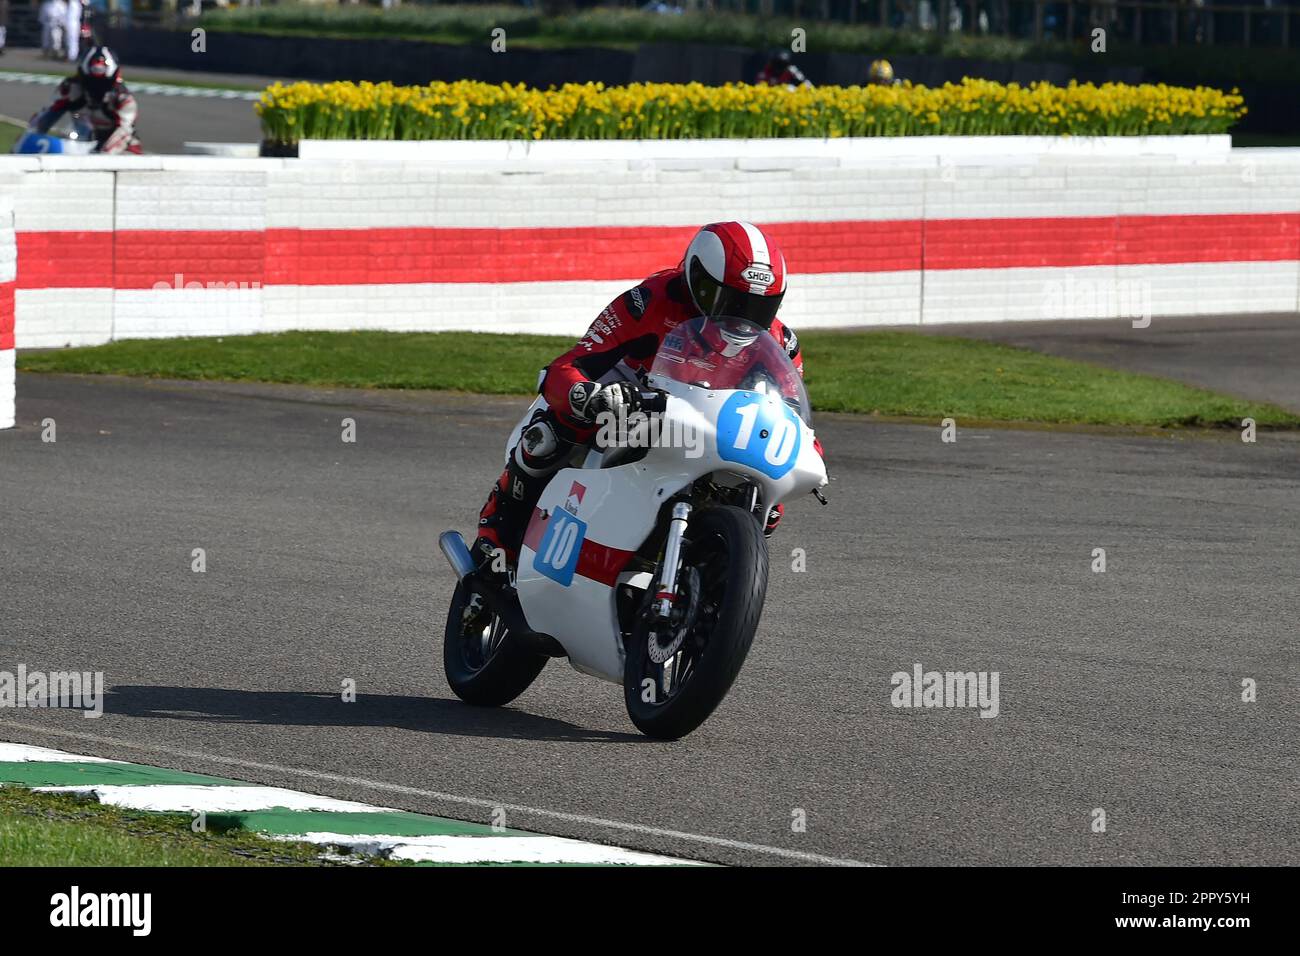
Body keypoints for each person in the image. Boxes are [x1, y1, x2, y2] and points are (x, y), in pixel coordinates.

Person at [472, 221, 821, 583]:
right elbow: (572, 364)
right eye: (731, 300)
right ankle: (497, 539)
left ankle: (708, 590)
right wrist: (586, 394)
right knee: (549, 435)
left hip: (707, 427)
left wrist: (809, 453)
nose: (744, 316)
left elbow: (792, 418)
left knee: (769, 505)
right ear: (696, 279)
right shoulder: (649, 301)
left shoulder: (780, 342)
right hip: (628, 408)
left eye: (758, 307)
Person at [33, 45, 140, 154]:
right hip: (80, 144)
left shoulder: (123, 98)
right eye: (91, 82)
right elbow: (46, 114)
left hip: (118, 151)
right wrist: (31, 136)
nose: (96, 88)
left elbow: (123, 132)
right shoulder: (71, 88)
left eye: (103, 83)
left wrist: (100, 156)